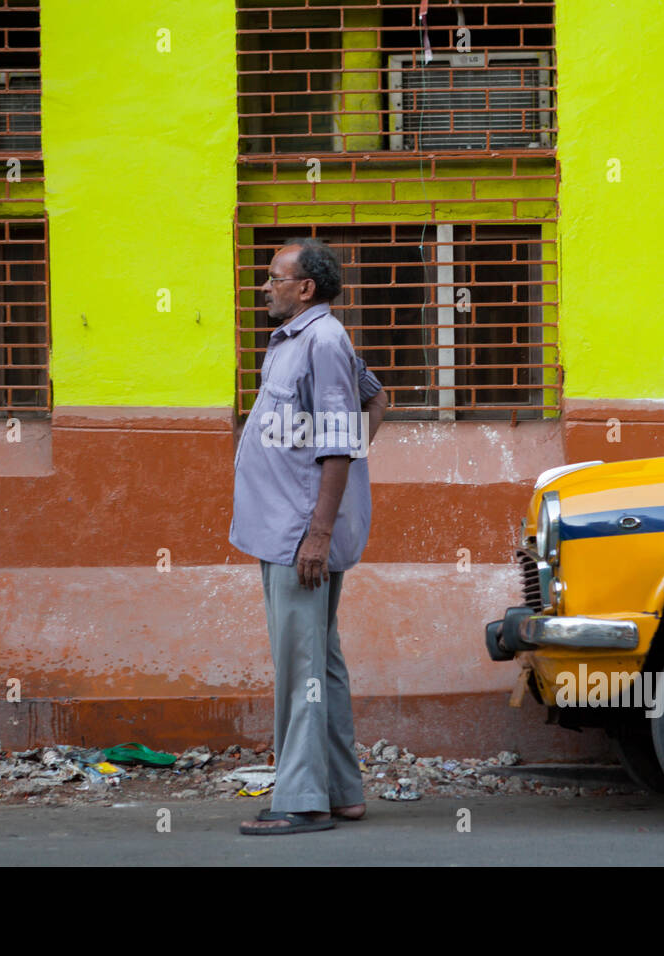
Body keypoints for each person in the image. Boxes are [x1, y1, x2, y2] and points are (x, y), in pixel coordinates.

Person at [230, 237, 388, 835]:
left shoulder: (321, 340)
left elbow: (341, 439)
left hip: (299, 539)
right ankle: (342, 790)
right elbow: (376, 401)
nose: (265, 287)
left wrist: (318, 529)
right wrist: (337, 466)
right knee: (320, 662)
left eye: (275, 278)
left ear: (306, 289)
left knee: (301, 668)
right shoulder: (308, 339)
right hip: (291, 529)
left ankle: (302, 799)